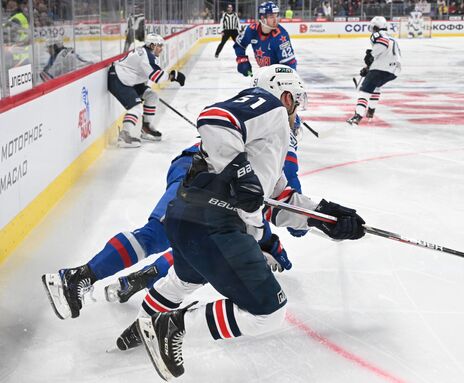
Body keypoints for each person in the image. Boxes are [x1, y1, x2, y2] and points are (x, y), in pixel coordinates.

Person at [132, 65, 365, 380]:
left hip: (188, 220)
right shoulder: (271, 108)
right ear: (285, 96)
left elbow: (277, 199)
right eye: (296, 102)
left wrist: (325, 217)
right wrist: (241, 173)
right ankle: (172, 325)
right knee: (268, 312)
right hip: (216, 225)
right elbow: (214, 118)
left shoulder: (263, 144)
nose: (298, 113)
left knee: (183, 281)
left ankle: (141, 326)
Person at [41, 138, 300, 321]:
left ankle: (138, 278)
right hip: (199, 177)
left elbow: (262, 201)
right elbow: (275, 199)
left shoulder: (264, 126)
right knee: (157, 235)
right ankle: (76, 277)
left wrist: (270, 241)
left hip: (216, 186)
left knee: (205, 246)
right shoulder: (277, 138)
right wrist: (275, 240)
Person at [107, 33, 187, 148]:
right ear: (152, 45)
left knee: (152, 95)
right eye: (159, 46)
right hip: (119, 79)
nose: (161, 49)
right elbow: (157, 77)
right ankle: (124, 136)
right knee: (136, 107)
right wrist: (174, 76)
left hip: (129, 79)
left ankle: (146, 128)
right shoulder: (146, 56)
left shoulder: (147, 53)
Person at [347, 16, 401, 127]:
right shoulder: (392, 37)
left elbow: (382, 45)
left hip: (381, 68)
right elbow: (385, 54)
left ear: (376, 27)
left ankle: (358, 116)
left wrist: (370, 56)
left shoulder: (378, 35)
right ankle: (371, 111)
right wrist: (368, 68)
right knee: (375, 86)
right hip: (394, 70)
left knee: (365, 91)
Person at [233, 1, 297, 77]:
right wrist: (242, 61)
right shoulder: (251, 30)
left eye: (277, 16)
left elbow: (289, 65)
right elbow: (239, 45)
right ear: (263, 18)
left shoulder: (281, 36)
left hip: (278, 76)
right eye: (271, 17)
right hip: (265, 74)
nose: (275, 20)